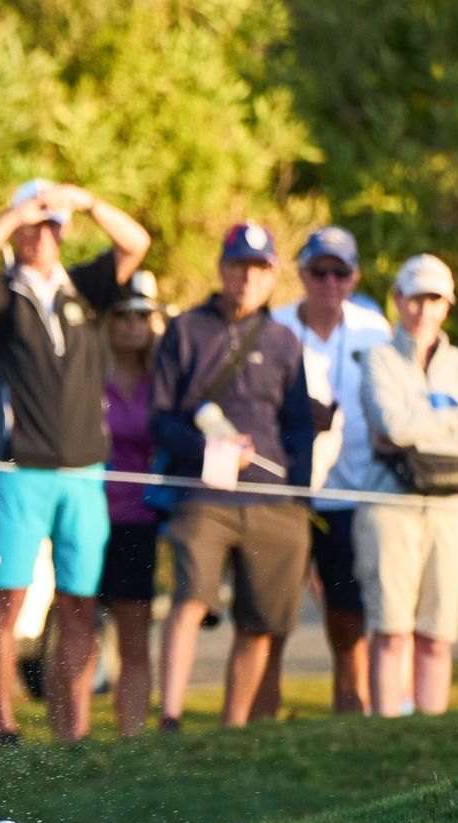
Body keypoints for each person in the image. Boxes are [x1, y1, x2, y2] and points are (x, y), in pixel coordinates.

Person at [0, 179, 151, 744]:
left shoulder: (82, 288)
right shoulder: (0, 292)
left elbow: (136, 244)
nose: (41, 236)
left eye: (49, 226)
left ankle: (73, 729)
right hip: (17, 472)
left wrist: (85, 201)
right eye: (33, 228)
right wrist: (11, 217)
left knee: (80, 602)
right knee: (10, 598)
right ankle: (5, 726)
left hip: (83, 471)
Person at [150, 222, 314, 729]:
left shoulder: (286, 341)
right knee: (191, 600)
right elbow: (160, 417)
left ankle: (232, 726)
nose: (247, 277)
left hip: (271, 499)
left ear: (272, 277)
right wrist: (207, 448)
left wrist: (299, 497)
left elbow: (299, 427)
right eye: (239, 265)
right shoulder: (185, 330)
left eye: (259, 268)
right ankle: (171, 719)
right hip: (204, 494)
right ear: (222, 268)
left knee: (260, 621)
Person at [356, 255, 458, 717]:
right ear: (398, 300)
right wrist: (454, 421)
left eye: (433, 299)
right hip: (389, 504)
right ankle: (388, 731)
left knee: (437, 633)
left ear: (446, 306)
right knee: (391, 629)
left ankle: (428, 735)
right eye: (415, 297)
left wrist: (421, 429)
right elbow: (391, 426)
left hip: (451, 510)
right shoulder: (379, 357)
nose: (422, 308)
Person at [270, 227, 392, 715]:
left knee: (348, 620)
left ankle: (351, 713)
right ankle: (260, 721)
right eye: (319, 270)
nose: (329, 281)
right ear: (301, 272)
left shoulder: (374, 329)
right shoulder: (275, 325)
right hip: (286, 493)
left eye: (340, 271)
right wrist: (298, 415)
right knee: (272, 616)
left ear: (354, 276)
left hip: (353, 493)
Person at [100, 270, 164, 736]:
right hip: (84, 513)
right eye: (123, 313)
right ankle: (71, 738)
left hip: (138, 517)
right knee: (76, 628)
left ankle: (131, 736)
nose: (133, 323)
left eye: (143, 313)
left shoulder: (160, 382)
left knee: (134, 633)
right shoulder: (88, 376)